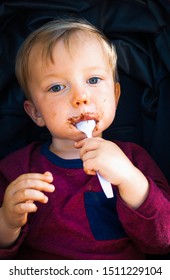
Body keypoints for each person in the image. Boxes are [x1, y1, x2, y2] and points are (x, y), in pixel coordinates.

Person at [0, 18, 170, 260]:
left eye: (93, 80)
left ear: (116, 96)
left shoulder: (134, 160)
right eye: (57, 87)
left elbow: (163, 242)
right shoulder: (18, 170)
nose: (80, 97)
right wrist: (7, 221)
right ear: (36, 112)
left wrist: (130, 179)